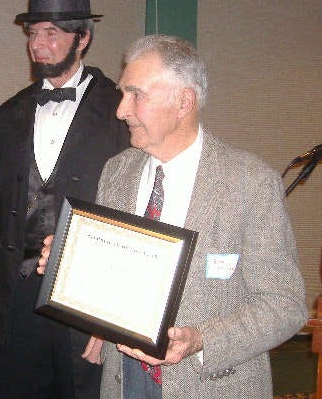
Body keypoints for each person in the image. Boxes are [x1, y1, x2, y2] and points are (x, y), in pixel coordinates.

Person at [38, 35, 307, 399]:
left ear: (184, 102)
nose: (121, 110)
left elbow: (285, 305)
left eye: (137, 95)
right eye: (123, 93)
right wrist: (67, 261)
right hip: (124, 381)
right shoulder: (117, 171)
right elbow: (115, 275)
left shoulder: (250, 183)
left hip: (211, 385)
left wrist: (200, 340)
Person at [0, 0, 130, 399]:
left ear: (84, 37)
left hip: (87, 304)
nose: (38, 44)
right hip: (16, 300)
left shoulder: (123, 114)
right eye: (33, 33)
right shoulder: (7, 117)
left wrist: (113, 318)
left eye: (52, 33)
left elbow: (136, 218)